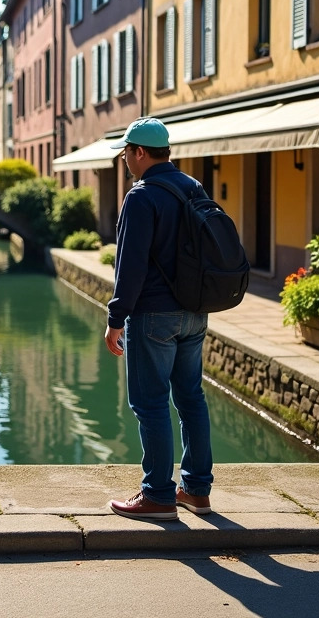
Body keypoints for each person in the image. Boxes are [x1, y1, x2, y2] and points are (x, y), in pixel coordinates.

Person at [104, 117, 213, 522]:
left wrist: (116, 318)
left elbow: (129, 266)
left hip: (153, 315)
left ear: (138, 152)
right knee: (191, 399)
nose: (126, 162)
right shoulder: (192, 188)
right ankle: (196, 491)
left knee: (150, 404)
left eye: (126, 154)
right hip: (194, 312)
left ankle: (158, 496)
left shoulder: (142, 196)